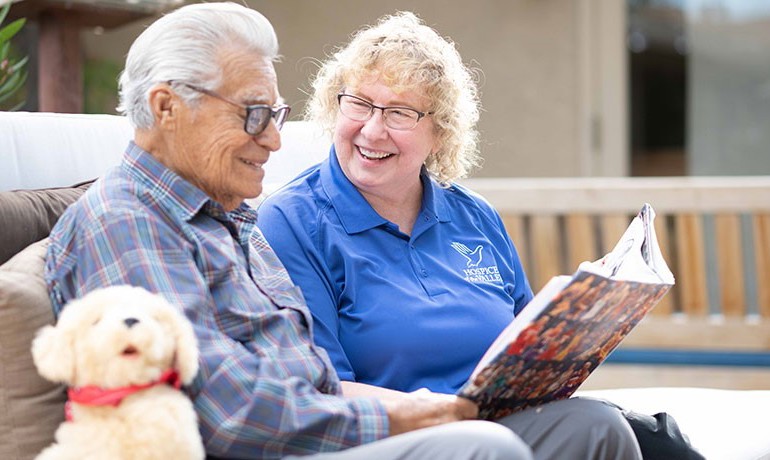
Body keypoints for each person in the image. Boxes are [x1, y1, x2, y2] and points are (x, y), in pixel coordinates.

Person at [43, 3, 532, 459]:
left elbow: (305, 377)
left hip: (326, 435)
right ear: (167, 107)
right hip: (296, 449)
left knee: (593, 426)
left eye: (275, 116)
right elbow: (231, 414)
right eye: (255, 115)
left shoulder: (222, 219)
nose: (275, 141)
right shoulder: (128, 223)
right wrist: (407, 413)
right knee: (486, 448)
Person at [257, 11, 643, 460]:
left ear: (439, 133)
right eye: (358, 104)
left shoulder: (473, 216)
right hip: (390, 437)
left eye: (399, 112)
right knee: (490, 446)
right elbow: (319, 387)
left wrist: (583, 330)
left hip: (491, 423)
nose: (372, 129)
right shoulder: (292, 220)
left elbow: (524, 347)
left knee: (600, 426)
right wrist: (439, 411)